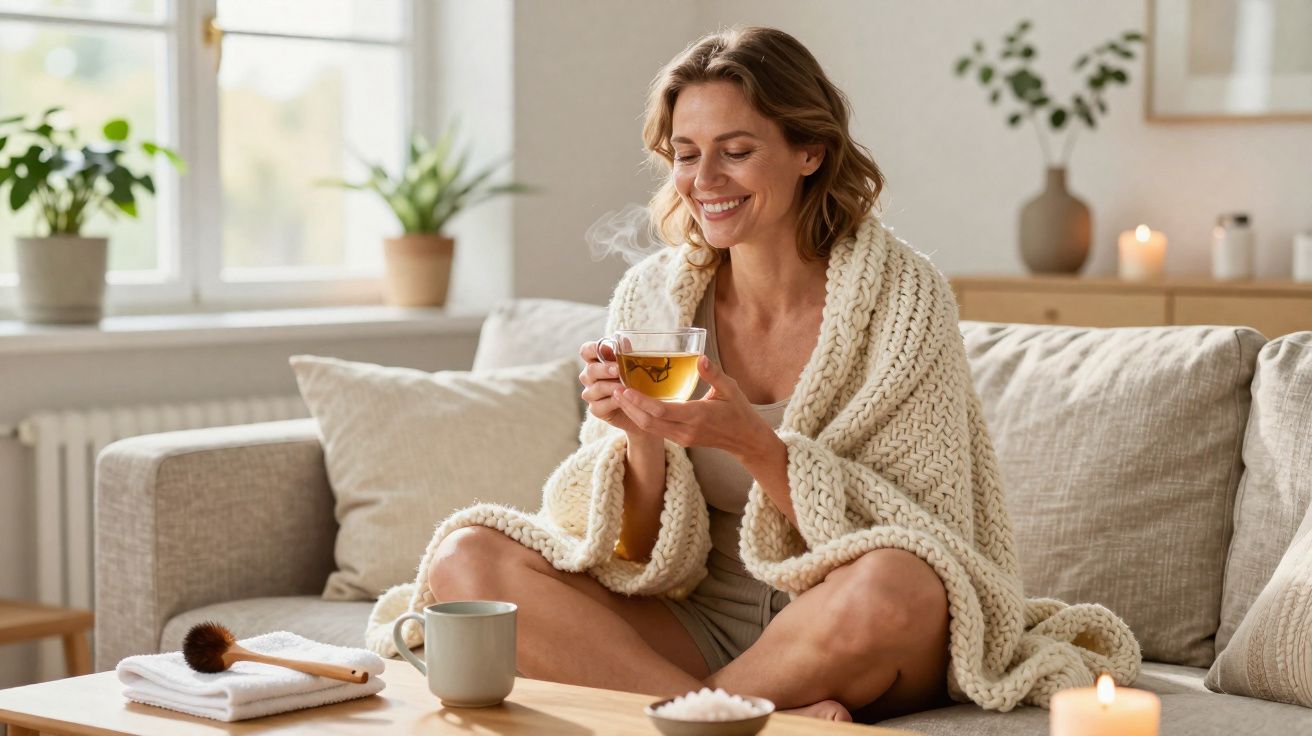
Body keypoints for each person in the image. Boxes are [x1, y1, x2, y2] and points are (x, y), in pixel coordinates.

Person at [370, 25, 1140, 724]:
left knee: (901, 579)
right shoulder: (653, 297)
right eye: (685, 152)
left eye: (736, 150)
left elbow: (923, 539)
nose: (705, 178)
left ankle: (705, 709)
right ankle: (721, 715)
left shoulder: (903, 299)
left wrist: (754, 443)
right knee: (465, 556)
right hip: (694, 621)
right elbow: (637, 555)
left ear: (811, 151)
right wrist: (636, 440)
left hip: (847, 620)